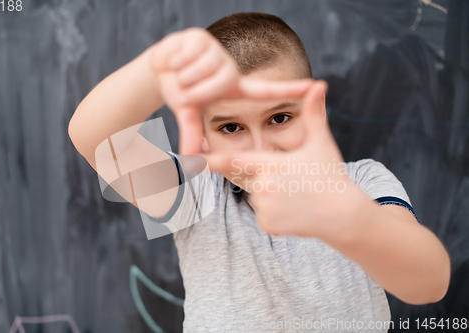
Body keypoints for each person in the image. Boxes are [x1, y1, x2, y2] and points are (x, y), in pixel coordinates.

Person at [68, 12, 450, 332]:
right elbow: (93, 138)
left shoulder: (363, 182)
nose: (259, 149)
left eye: (279, 118)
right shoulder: (198, 193)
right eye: (230, 128)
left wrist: (345, 218)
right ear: (203, 137)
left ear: (315, 109)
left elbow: (430, 283)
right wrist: (155, 71)